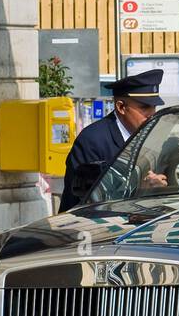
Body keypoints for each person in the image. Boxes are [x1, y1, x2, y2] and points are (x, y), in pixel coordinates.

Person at [59, 69, 168, 212]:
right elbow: (88, 200)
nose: (151, 114)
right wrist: (141, 190)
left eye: (154, 107)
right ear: (121, 107)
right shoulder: (92, 140)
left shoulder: (153, 136)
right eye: (144, 107)